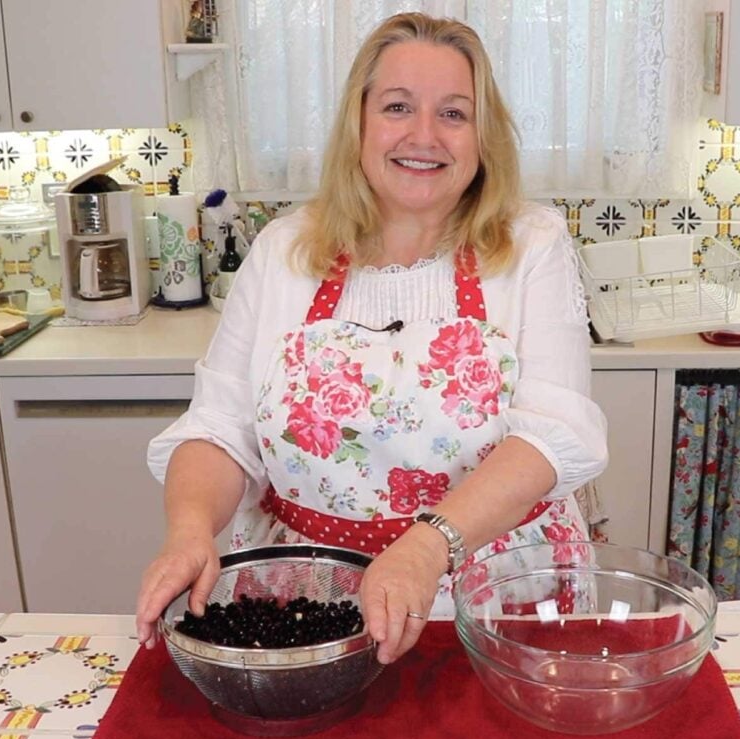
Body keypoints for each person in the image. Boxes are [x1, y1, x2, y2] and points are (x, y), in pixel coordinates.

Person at [137, 12, 608, 666]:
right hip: (308, 602)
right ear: (358, 122)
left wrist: (426, 546)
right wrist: (190, 529)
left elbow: (553, 435)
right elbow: (220, 429)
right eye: (397, 107)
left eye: (453, 113)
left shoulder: (532, 246)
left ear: (484, 137)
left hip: (495, 597)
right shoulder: (283, 252)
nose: (424, 135)